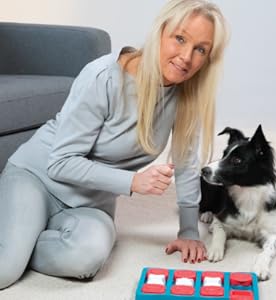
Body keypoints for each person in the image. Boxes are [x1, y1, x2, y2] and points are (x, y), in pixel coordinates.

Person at [0, 0, 228, 289]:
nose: (186, 56)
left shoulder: (187, 96)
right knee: (6, 269)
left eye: (200, 49)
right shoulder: (104, 77)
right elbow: (60, 162)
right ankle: (16, 240)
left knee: (87, 259)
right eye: (180, 38)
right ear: (161, 32)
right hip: (37, 177)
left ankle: (21, 236)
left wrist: (189, 231)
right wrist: (132, 181)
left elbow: (186, 165)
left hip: (92, 202)